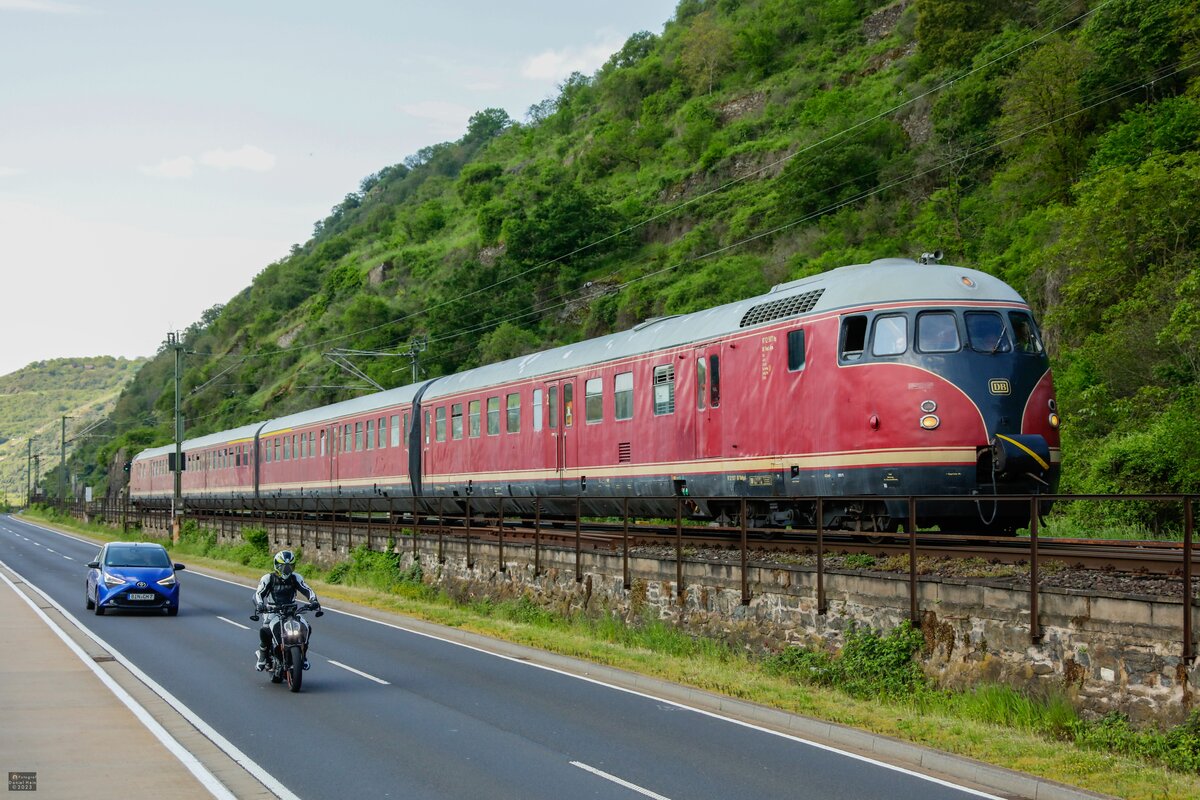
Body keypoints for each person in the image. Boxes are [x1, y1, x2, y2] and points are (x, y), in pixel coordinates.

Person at [254, 550, 319, 671]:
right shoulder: (268, 578)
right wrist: (260, 605)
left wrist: (314, 601)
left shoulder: (296, 578)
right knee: (266, 630)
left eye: (289, 567)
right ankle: (263, 656)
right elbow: (258, 594)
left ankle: (303, 656)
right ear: (276, 566)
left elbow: (307, 589)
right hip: (272, 611)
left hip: (291, 611)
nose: (286, 570)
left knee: (306, 627)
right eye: (283, 567)